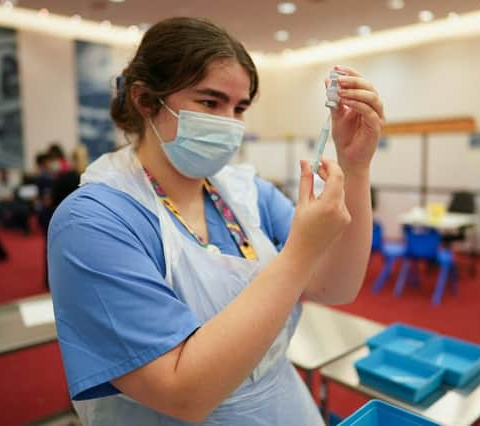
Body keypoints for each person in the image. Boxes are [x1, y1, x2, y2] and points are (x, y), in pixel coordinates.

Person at [48, 17, 383, 426]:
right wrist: (300, 251)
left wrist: (356, 166)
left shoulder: (244, 193)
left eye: (239, 107)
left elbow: (335, 287)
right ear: (145, 100)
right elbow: (183, 394)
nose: (229, 122)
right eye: (210, 103)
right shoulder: (94, 222)